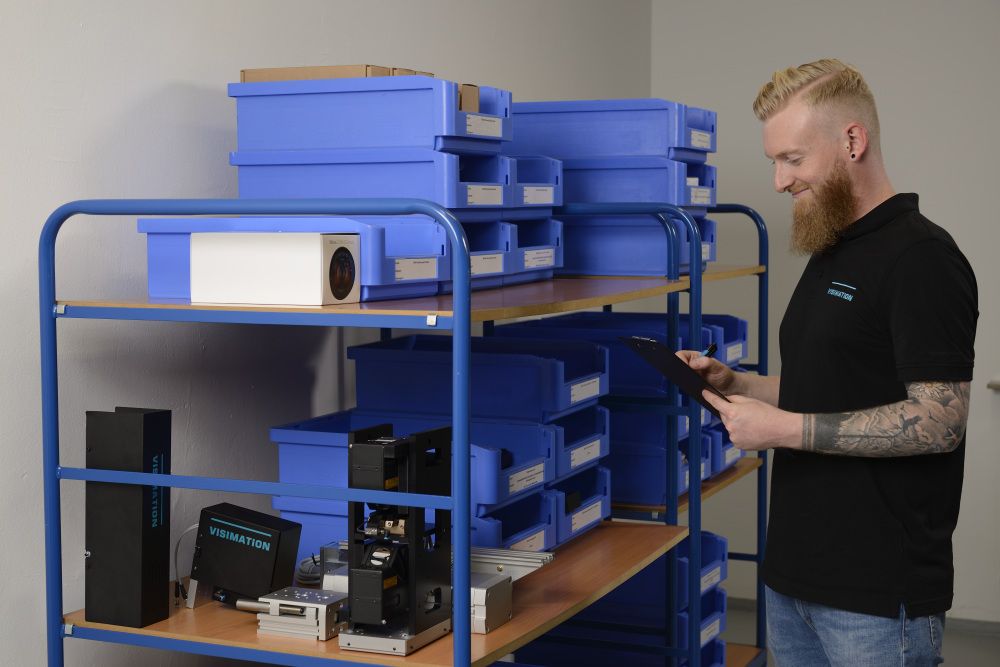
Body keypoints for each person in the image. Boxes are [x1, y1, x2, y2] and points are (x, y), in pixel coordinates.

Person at [680, 59, 978, 666]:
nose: (778, 181)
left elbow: (940, 421)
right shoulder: (831, 248)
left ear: (852, 141)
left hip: (876, 598)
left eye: (792, 159)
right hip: (793, 579)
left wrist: (783, 430)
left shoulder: (922, 258)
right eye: (774, 162)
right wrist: (741, 384)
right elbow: (836, 384)